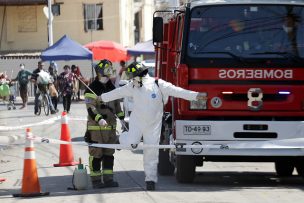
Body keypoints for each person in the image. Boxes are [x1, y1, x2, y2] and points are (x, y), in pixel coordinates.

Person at [99, 62, 207, 191]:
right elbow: (117, 92)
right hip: (137, 122)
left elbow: (177, 91)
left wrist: (195, 96)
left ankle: (150, 180)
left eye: (133, 77)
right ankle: (121, 138)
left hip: (154, 125)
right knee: (131, 143)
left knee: (151, 151)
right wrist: (101, 98)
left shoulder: (158, 84)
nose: (132, 80)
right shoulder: (132, 86)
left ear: (140, 76)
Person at [84, 59, 124, 189]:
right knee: (96, 154)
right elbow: (90, 107)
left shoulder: (112, 88)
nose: (108, 77)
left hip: (110, 129)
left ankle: (108, 180)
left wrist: (122, 119)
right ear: (100, 73)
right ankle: (96, 181)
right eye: (106, 74)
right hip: (96, 129)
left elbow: (117, 106)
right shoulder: (92, 88)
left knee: (108, 154)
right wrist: (99, 118)